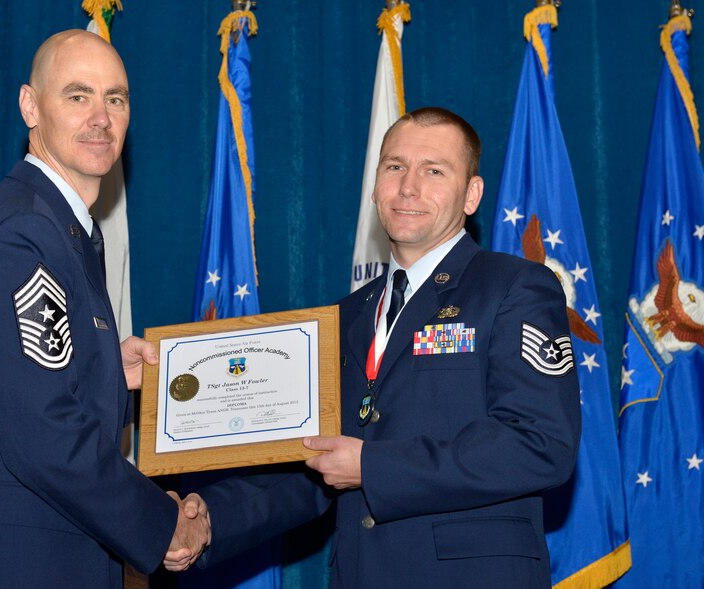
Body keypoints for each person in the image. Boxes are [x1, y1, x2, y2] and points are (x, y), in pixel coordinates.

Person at [177, 107, 581, 588]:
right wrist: (210, 520)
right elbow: (313, 462)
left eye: (434, 171)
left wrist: (373, 467)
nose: (408, 187)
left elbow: (539, 445)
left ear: (471, 194)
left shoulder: (513, 288)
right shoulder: (344, 316)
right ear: (374, 186)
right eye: (395, 167)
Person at [0, 30, 209, 588]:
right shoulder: (23, 234)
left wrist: (105, 370)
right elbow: (45, 436)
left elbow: (30, 389)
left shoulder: (62, 229)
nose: (100, 117)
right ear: (30, 105)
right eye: (78, 96)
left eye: (115, 99)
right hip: (14, 566)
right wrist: (160, 523)